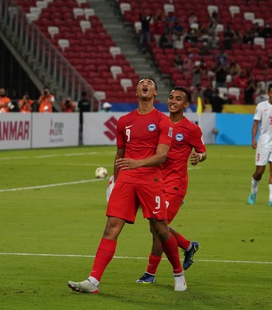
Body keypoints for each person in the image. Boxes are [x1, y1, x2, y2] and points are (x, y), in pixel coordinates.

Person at [67, 76, 186, 293]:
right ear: (137, 91)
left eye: (149, 83)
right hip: (127, 180)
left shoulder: (163, 121)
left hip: (151, 179)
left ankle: (178, 272)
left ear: (155, 92)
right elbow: (119, 154)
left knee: (160, 229)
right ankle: (93, 281)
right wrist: (115, 180)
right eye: (142, 82)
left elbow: (162, 156)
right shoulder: (124, 121)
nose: (145, 84)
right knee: (111, 227)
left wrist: (136, 163)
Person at [136, 86, 207, 284]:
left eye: (178, 99)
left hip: (175, 184)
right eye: (170, 98)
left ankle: (150, 273)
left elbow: (203, 152)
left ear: (185, 104)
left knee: (159, 228)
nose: (173, 101)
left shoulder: (191, 129)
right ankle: (187, 246)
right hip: (155, 182)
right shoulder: (159, 123)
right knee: (155, 226)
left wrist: (198, 156)